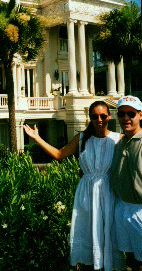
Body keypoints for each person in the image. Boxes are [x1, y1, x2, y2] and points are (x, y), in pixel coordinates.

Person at [24, 100, 124, 270]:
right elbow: (59, 154)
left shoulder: (118, 139)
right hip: (86, 194)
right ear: (90, 118)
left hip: (109, 194)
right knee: (87, 232)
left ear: (109, 116)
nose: (99, 120)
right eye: (94, 116)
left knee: (109, 234)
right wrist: (37, 138)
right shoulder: (82, 138)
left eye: (103, 116)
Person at [111, 95, 142, 271]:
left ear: (140, 115)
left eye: (131, 113)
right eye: (121, 114)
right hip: (122, 207)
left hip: (140, 208)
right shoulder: (120, 142)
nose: (126, 118)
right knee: (130, 259)